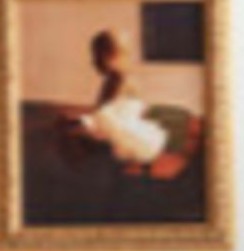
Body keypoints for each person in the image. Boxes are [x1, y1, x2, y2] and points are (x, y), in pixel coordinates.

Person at [72, 28, 171, 171]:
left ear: (110, 56)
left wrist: (80, 121)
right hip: (131, 134)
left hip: (121, 137)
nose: (93, 62)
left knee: (72, 137)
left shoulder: (116, 79)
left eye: (96, 57)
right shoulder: (128, 77)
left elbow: (100, 112)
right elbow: (138, 108)